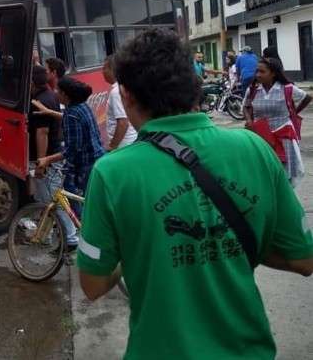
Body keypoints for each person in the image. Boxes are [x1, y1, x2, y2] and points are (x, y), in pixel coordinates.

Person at [76, 28, 313, 360]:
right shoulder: (255, 149)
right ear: (195, 85)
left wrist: (140, 250)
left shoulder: (111, 173)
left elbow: (93, 284)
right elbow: (303, 258)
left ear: (126, 95)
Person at [37, 76, 105, 215]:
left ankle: (82, 225)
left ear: (65, 95)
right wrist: (49, 112)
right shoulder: (81, 106)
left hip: (86, 166)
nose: (55, 93)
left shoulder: (71, 114)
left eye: (58, 90)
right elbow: (70, 118)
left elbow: (72, 149)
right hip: (97, 159)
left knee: (82, 203)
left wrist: (47, 159)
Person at [244, 57, 312, 187]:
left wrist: (294, 112)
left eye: (262, 72)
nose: (258, 75)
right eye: (256, 71)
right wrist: (248, 120)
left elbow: (307, 97)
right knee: (264, 169)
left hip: (284, 136)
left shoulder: (287, 88)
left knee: (285, 173)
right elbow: (246, 106)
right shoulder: (252, 90)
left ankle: (286, 197)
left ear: (273, 73)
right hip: (261, 137)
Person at [30, 66, 78, 247]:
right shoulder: (49, 96)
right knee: (49, 200)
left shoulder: (41, 101)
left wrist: (41, 164)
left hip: (49, 158)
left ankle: (71, 237)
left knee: (52, 201)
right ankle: (46, 235)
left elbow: (42, 132)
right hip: (54, 155)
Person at [102, 55, 137, 150]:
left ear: (112, 70)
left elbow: (123, 122)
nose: (102, 72)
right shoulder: (124, 87)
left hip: (123, 145)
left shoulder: (116, 92)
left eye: (104, 68)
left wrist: (112, 146)